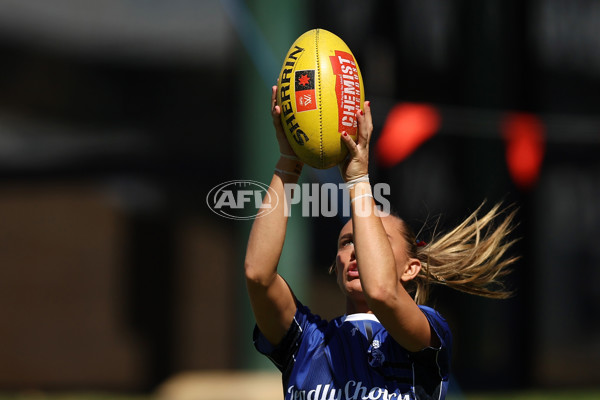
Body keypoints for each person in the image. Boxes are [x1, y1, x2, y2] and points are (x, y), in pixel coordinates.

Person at [244, 86, 518, 400]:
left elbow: (383, 292)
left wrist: (358, 178)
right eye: (347, 242)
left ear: (410, 268)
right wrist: (289, 161)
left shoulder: (429, 332)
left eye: (376, 241)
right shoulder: (305, 340)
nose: (357, 250)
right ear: (336, 265)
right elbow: (258, 275)